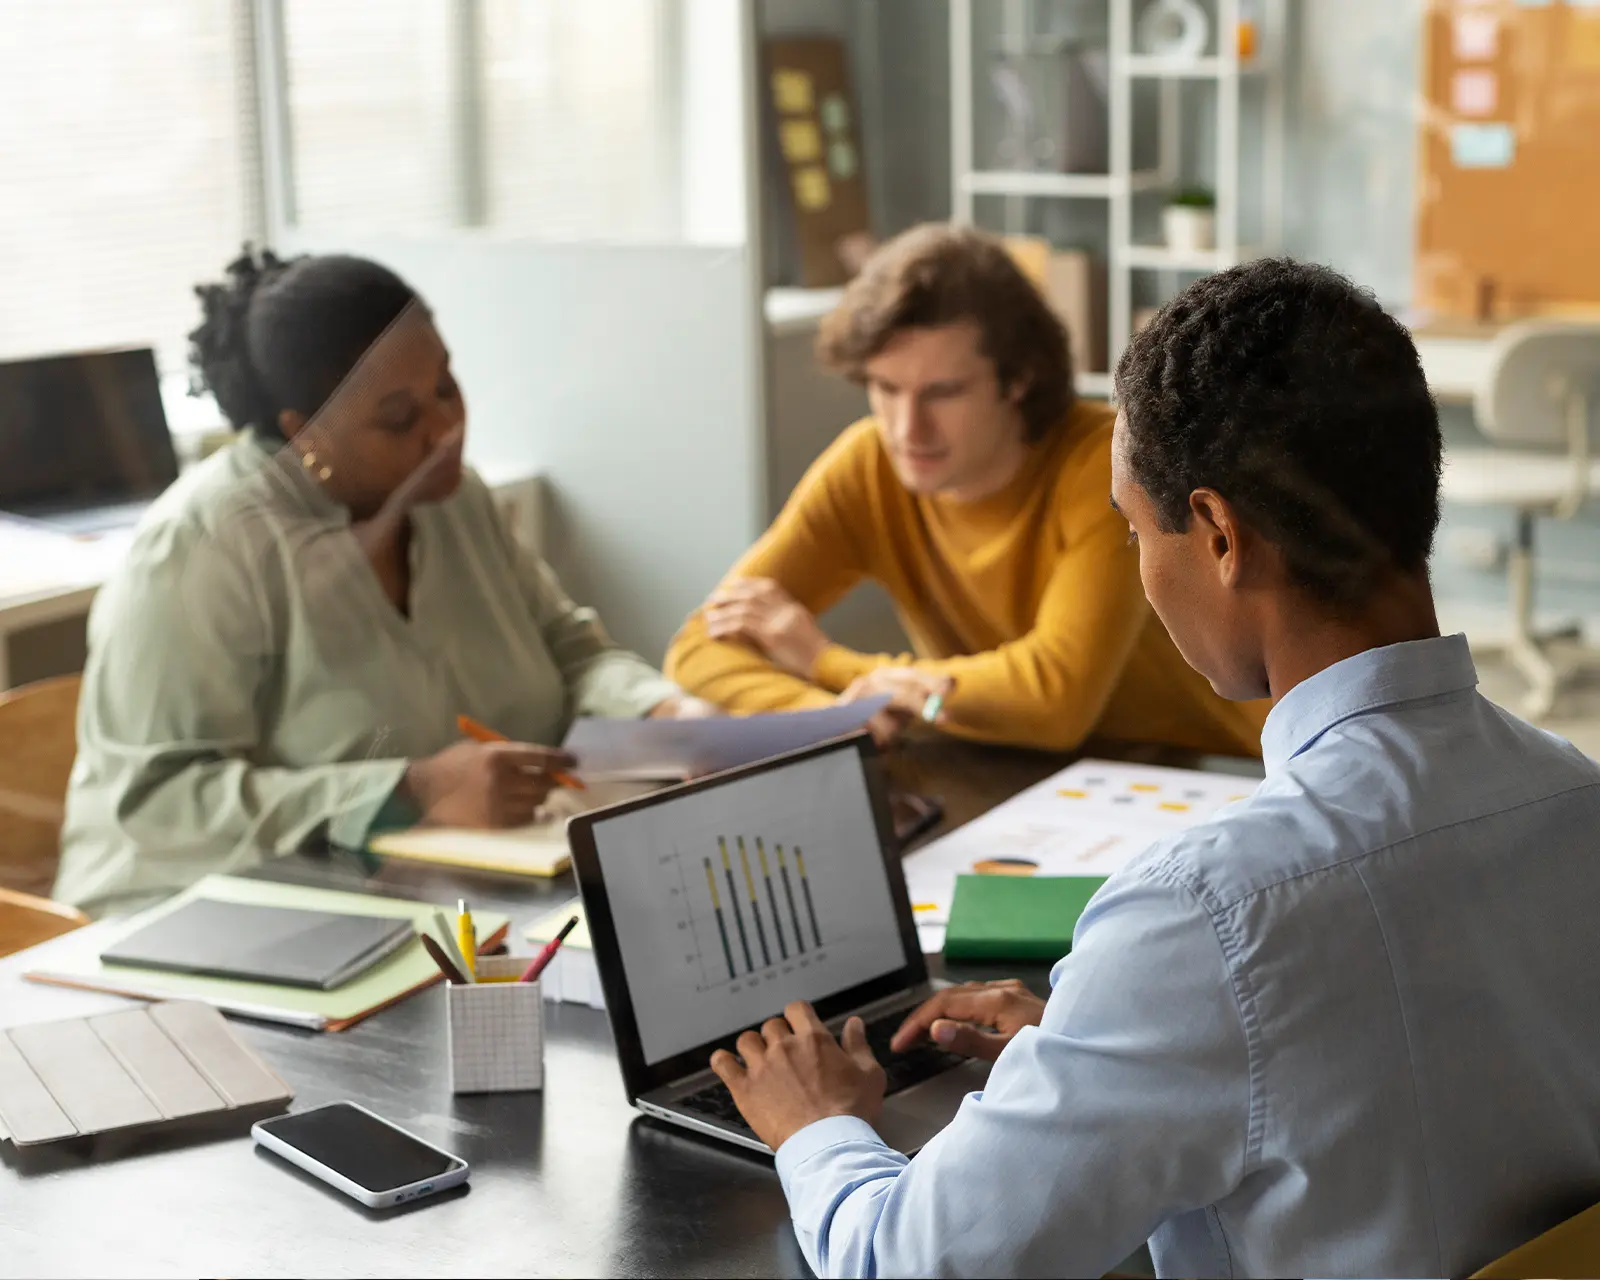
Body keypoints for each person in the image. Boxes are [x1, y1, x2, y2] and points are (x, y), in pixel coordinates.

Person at [707, 259, 1600, 1277]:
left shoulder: (1208, 914)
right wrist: (1117, 1054)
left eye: (1136, 527)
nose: (1141, 564)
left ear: (1218, 535)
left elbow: (907, 1262)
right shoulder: (1577, 798)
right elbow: (1444, 1061)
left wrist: (815, 1125)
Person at [56, 248, 712, 916]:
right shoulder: (202, 550)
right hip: (212, 917)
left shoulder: (455, 499)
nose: (446, 431)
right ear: (304, 433)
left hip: (451, 900)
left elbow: (571, 654)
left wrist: (666, 715)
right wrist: (409, 789)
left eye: (446, 388)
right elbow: (155, 804)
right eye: (400, 419)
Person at [665, 223, 1268, 756]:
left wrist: (824, 661)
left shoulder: (1103, 464)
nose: (907, 428)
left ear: (1019, 379)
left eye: (942, 392)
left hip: (1207, 770)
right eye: (885, 388)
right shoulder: (867, 463)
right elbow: (698, 648)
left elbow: (1055, 700)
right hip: (1013, 773)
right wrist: (830, 718)